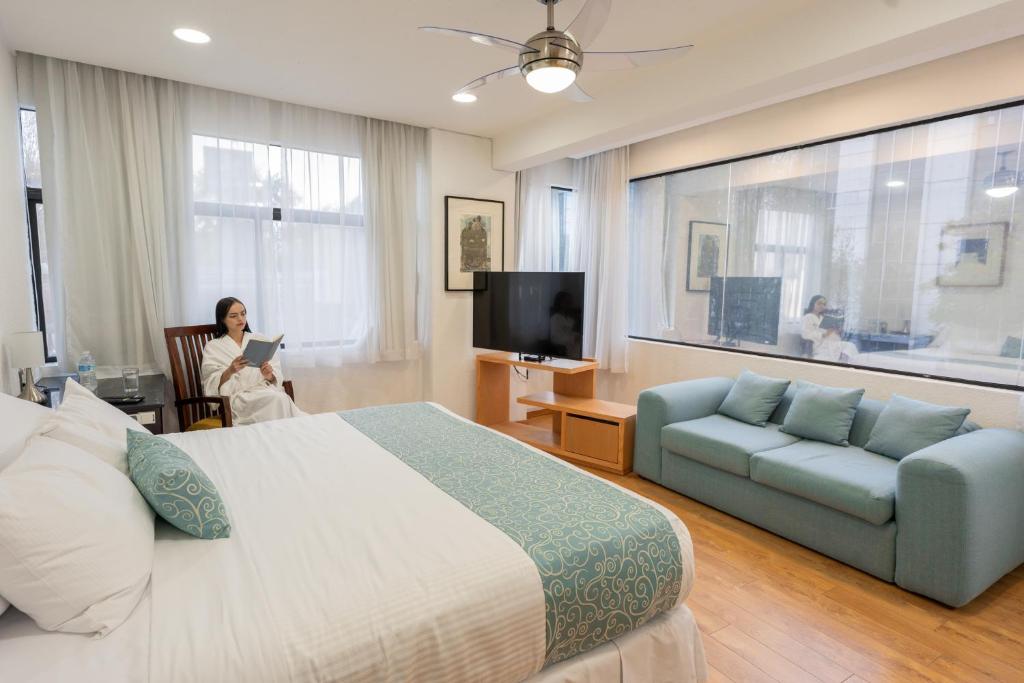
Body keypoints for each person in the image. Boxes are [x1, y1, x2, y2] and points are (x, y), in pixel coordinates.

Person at [201, 297, 306, 425]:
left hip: (263, 391)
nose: (240, 319)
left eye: (243, 313)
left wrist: (269, 375)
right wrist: (230, 370)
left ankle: (280, 438)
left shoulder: (259, 339)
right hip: (238, 399)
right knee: (276, 399)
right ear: (222, 319)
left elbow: (275, 375)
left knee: (280, 398)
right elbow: (210, 382)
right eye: (233, 316)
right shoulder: (214, 346)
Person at [801, 295, 859, 363]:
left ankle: (847, 363)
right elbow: (805, 333)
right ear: (812, 303)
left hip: (831, 343)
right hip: (820, 345)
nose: (821, 306)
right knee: (848, 347)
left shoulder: (823, 318)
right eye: (819, 303)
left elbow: (828, 331)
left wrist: (836, 331)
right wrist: (823, 334)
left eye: (824, 304)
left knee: (850, 346)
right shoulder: (808, 317)